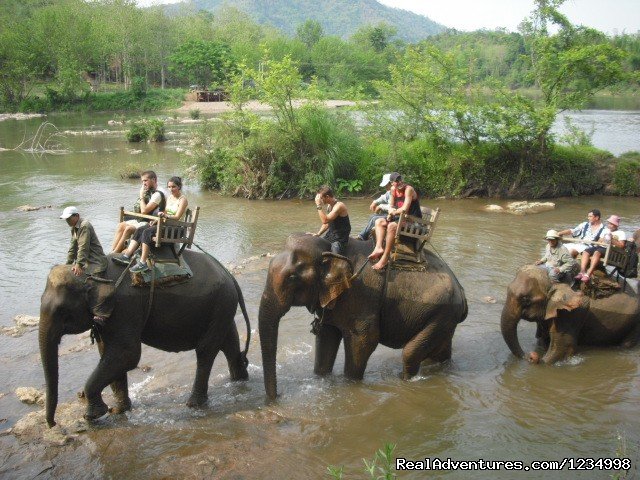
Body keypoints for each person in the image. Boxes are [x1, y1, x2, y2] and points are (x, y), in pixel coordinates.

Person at [113, 177, 189, 273]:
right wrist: (157, 220)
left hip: (175, 228)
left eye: (173, 187)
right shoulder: (169, 197)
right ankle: (127, 255)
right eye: (169, 187)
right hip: (165, 225)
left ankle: (142, 263)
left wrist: (165, 215)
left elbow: (177, 217)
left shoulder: (183, 200)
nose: (171, 189)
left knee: (147, 232)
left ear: (179, 187)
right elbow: (164, 213)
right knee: (141, 229)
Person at [60, 206, 113, 325]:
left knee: (93, 283)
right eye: (66, 219)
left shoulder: (84, 225)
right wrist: (68, 264)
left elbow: (83, 247)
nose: (67, 221)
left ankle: (101, 313)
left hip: (96, 261)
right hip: (86, 262)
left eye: (69, 218)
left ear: (76, 216)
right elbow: (72, 248)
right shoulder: (74, 228)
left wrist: (79, 264)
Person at [368, 172, 422, 271]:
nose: (400, 182)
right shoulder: (393, 190)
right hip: (401, 220)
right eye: (397, 181)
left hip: (413, 223)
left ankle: (385, 258)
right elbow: (391, 206)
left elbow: (404, 209)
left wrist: (393, 212)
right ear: (392, 183)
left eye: (400, 179)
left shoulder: (408, 189)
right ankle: (379, 247)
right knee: (378, 221)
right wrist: (389, 214)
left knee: (391, 226)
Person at [110, 170, 166, 253]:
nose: (143, 183)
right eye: (142, 181)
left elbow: (144, 211)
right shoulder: (149, 191)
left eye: (145, 180)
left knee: (128, 228)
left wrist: (141, 196)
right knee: (121, 225)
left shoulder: (158, 194)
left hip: (153, 222)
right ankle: (113, 251)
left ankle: (115, 253)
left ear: (153, 180)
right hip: (145, 219)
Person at [576, 215, 625, 283]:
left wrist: (612, 239)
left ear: (616, 225)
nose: (609, 225)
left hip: (611, 250)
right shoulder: (605, 230)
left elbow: (621, 246)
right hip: (601, 247)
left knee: (597, 252)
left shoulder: (621, 233)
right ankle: (582, 271)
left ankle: (588, 273)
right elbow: (599, 241)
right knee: (586, 251)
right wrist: (600, 241)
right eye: (609, 223)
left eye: (611, 224)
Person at [312, 186, 351, 255]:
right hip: (331, 235)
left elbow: (325, 220)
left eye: (321, 198)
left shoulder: (339, 206)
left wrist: (318, 205)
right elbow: (327, 223)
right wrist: (318, 234)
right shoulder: (329, 206)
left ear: (327, 197)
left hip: (340, 238)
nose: (320, 200)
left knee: (333, 256)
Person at [356, 173, 392, 241]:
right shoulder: (389, 192)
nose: (385, 187)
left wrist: (380, 206)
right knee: (372, 216)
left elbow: (392, 207)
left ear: (391, 183)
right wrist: (375, 202)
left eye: (386, 185)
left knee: (374, 218)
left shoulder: (394, 192)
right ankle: (367, 234)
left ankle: (362, 236)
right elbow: (384, 197)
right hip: (391, 214)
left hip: (394, 215)